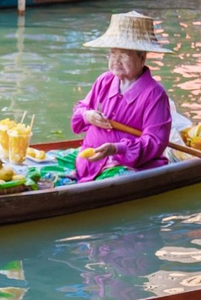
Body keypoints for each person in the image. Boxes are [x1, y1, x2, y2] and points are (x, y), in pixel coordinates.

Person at [70, 11, 172, 182]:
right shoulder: (105, 80)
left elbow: (154, 142)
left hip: (128, 165)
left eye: (123, 55)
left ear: (142, 57)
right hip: (90, 159)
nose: (116, 61)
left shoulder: (155, 94)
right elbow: (81, 110)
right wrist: (89, 116)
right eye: (112, 53)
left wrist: (117, 149)